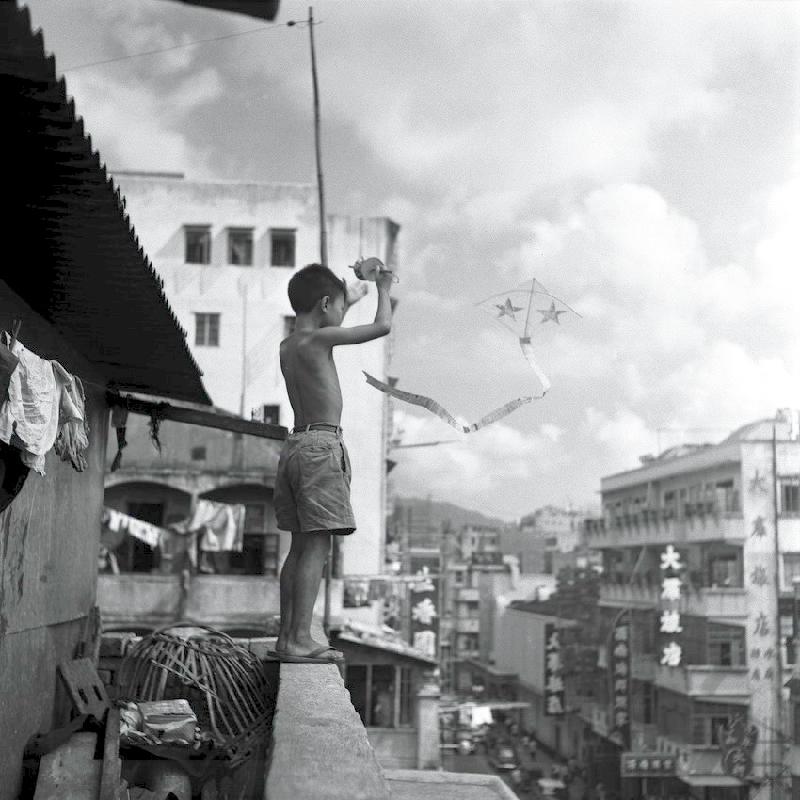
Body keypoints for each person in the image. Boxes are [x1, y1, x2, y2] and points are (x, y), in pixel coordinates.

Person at [272, 262, 393, 663]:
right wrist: (384, 286)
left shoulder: (290, 344)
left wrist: (351, 294)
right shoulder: (321, 340)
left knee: (299, 547)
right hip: (321, 446)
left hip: (295, 443)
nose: (342, 313)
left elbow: (329, 319)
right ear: (325, 305)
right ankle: (299, 639)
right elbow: (382, 326)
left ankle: (287, 638)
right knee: (317, 545)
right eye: (339, 307)